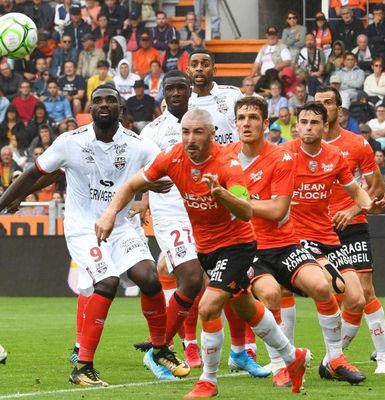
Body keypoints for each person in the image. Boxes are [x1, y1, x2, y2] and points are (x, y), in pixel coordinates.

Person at [96, 107, 311, 397]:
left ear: (212, 134)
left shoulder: (227, 163)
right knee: (246, 307)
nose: (190, 138)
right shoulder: (173, 157)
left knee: (209, 306)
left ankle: (208, 380)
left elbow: (245, 210)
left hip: (237, 246)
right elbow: (132, 183)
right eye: (186, 132)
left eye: (198, 132)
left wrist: (221, 194)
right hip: (207, 248)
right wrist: (110, 213)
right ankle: (291, 357)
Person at [0, 84, 189, 386]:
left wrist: (151, 181)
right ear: (90, 109)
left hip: (122, 226)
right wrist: (7, 200)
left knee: (150, 278)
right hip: (82, 229)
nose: (104, 104)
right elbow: (38, 172)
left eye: (110, 100)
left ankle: (160, 349)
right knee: (107, 281)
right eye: (98, 100)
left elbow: (166, 167)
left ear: (120, 109)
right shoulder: (69, 142)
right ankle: (83, 367)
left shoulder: (136, 144)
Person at [231, 97, 359, 386]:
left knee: (321, 285)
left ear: (266, 123)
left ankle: (336, 358)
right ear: (235, 123)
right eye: (241, 118)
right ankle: (280, 364)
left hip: (285, 243)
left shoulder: (282, 157)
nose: (247, 123)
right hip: (249, 247)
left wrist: (242, 202)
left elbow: (277, 210)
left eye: (253, 118)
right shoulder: (227, 158)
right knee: (271, 294)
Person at [282, 101, 383, 382]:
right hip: (297, 238)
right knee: (329, 286)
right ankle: (288, 359)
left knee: (357, 297)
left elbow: (357, 192)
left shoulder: (335, 156)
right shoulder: (284, 154)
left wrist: (369, 206)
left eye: (314, 123)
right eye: (303, 122)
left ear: (324, 126)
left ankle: (329, 361)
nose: (308, 127)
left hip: (328, 237)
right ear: (296, 125)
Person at [314, 87, 385, 374]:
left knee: (365, 291)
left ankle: (383, 356)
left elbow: (377, 188)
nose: (323, 108)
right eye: (318, 103)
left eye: (329, 103)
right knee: (330, 293)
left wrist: (353, 209)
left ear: (338, 109)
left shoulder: (357, 144)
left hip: (353, 225)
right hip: (317, 230)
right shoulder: (304, 146)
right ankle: (328, 357)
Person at [137, 71, 211, 373]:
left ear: (190, 90)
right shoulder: (152, 132)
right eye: (171, 88)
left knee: (212, 281)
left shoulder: (206, 122)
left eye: (182, 87)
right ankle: (181, 345)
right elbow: (141, 173)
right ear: (162, 93)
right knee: (191, 278)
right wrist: (142, 200)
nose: (177, 92)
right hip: (170, 215)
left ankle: (237, 349)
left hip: (204, 210)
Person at [187, 50, 244, 146]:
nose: (199, 68)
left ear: (214, 70)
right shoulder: (182, 100)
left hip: (230, 158)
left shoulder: (233, 95)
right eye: (194, 65)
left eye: (205, 65)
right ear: (188, 71)